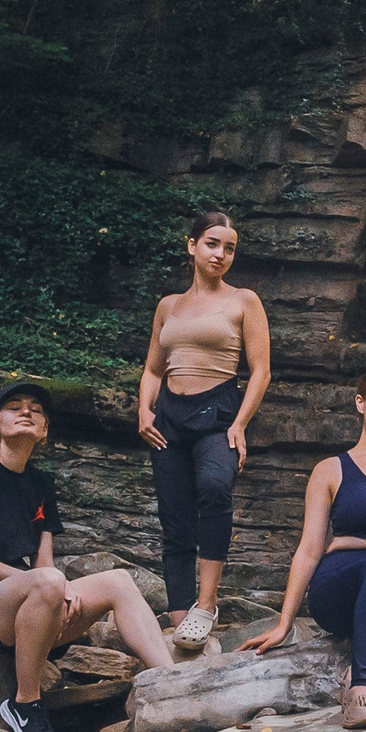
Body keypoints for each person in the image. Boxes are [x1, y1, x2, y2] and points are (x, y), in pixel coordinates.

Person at [0, 381, 175, 732]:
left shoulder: (41, 483)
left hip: (26, 603)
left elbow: (44, 560)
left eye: (35, 408)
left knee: (118, 581)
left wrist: (55, 589)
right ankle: (25, 705)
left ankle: (172, 682)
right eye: (14, 406)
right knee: (50, 581)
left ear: (45, 430)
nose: (26, 411)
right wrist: (51, 585)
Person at [242, 362, 366, 728]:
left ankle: (356, 672)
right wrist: (284, 622)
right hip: (337, 589)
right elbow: (308, 549)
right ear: (360, 404)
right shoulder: (331, 469)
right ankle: (361, 692)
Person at [138, 210, 271, 651]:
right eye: (213, 243)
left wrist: (239, 423)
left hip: (218, 412)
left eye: (229, 247)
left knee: (215, 487)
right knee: (174, 518)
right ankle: (180, 621)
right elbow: (154, 369)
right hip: (170, 417)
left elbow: (261, 372)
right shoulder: (168, 306)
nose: (221, 254)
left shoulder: (243, 301)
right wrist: (143, 410)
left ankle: (206, 604)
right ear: (192, 246)